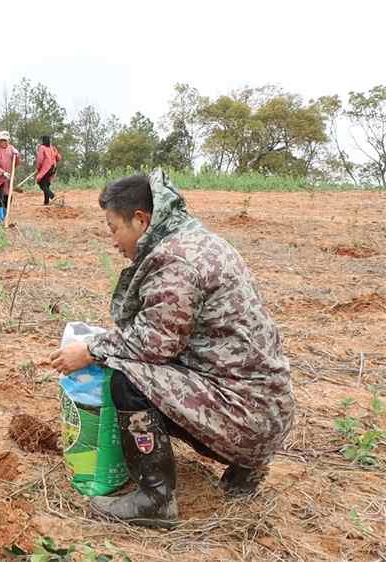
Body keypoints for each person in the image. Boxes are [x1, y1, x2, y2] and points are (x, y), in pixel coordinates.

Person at [50, 170, 294, 528]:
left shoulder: (175, 259)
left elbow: (152, 343)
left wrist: (89, 349)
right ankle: (246, 467)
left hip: (247, 416)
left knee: (126, 377)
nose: (113, 241)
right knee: (139, 361)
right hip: (267, 411)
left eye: (113, 228)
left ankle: (154, 500)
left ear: (141, 220)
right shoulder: (193, 239)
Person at [0, 131, 21, 224]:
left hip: (7, 179)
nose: (3, 142)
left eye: (5, 140)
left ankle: (5, 219)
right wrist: (3, 173)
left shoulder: (11, 149)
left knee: (8, 198)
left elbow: (17, 163)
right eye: (2, 140)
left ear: (8, 141)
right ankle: (0, 221)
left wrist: (17, 155)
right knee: (0, 198)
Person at [35, 135, 62, 205]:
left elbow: (40, 160)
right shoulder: (52, 148)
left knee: (41, 183)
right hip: (53, 168)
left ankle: (52, 196)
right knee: (46, 184)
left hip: (47, 169)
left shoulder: (42, 148)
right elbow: (58, 157)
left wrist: (38, 168)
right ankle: (46, 202)